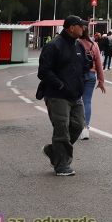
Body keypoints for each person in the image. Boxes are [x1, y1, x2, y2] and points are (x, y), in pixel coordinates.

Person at [37, 16, 89, 176]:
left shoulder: (79, 45)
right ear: (72, 27)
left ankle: (53, 150)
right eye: (82, 26)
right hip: (57, 95)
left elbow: (84, 66)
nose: (84, 29)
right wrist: (60, 85)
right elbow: (44, 71)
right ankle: (62, 166)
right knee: (61, 129)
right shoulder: (53, 46)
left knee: (78, 125)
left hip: (75, 95)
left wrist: (85, 76)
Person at [76, 26, 106, 140]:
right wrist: (101, 81)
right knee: (87, 101)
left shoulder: (75, 44)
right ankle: (85, 128)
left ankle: (75, 126)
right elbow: (99, 64)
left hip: (77, 76)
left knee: (75, 101)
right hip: (91, 75)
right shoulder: (94, 45)